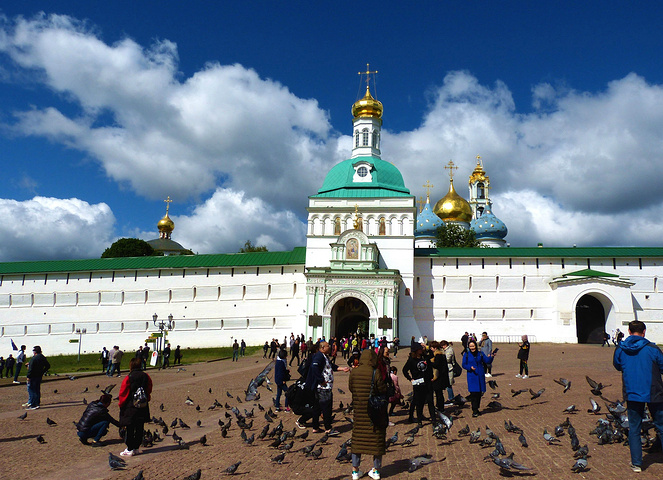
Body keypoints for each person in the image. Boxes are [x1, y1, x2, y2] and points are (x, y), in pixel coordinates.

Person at [613, 320, 663, 473]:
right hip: (653, 391)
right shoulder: (653, 349)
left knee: (634, 428)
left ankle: (636, 463)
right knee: (661, 426)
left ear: (629, 331)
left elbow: (617, 365)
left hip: (632, 392)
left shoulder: (620, 349)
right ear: (644, 331)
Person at [349, 348, 387, 480]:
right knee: (376, 440)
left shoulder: (354, 372)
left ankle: (355, 470)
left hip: (359, 411)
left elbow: (350, 388)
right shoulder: (375, 372)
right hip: (373, 411)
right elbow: (382, 389)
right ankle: (376, 470)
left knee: (357, 440)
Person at [302, 341, 349, 434]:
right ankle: (328, 428)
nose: (330, 347)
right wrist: (321, 380)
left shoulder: (324, 356)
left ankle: (315, 427)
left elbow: (331, 366)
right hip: (323, 387)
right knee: (327, 408)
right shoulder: (319, 356)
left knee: (317, 407)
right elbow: (314, 367)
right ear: (322, 348)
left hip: (322, 387)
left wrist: (342, 368)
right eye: (328, 346)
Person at [118, 357, 153, 457]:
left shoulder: (129, 377)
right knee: (139, 427)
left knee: (130, 427)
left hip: (130, 405)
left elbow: (123, 392)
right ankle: (136, 447)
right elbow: (149, 388)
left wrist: (121, 404)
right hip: (142, 404)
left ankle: (129, 448)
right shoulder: (146, 376)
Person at [402, 343, 433, 425]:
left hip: (426, 382)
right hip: (418, 383)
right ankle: (418, 419)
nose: (421, 350)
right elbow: (404, 370)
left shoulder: (424, 357)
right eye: (420, 349)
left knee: (426, 401)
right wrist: (410, 379)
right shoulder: (412, 360)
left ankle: (426, 418)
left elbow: (432, 355)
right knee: (418, 401)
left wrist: (427, 347)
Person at [463, 339, 495, 417]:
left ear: (476, 346)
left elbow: (487, 361)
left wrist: (491, 357)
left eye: (473, 346)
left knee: (479, 394)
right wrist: (470, 367)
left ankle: (477, 409)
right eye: (470, 346)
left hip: (480, 375)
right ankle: (474, 410)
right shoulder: (466, 354)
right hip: (472, 376)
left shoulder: (480, 353)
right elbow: (464, 364)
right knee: (473, 394)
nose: (472, 348)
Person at [24, 345, 50, 410]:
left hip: (33, 376)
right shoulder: (42, 357)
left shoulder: (34, 358)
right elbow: (48, 366)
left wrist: (28, 376)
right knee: (37, 389)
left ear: (35, 352)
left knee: (32, 390)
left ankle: (33, 404)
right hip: (39, 375)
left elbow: (31, 369)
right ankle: (37, 403)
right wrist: (42, 372)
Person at [430, 341, 450, 411]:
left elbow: (437, 365)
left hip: (439, 377)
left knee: (438, 393)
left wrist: (429, 362)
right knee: (439, 393)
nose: (431, 349)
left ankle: (440, 407)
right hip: (441, 377)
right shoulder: (441, 354)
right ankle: (439, 406)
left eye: (432, 348)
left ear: (435, 348)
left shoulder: (438, 355)